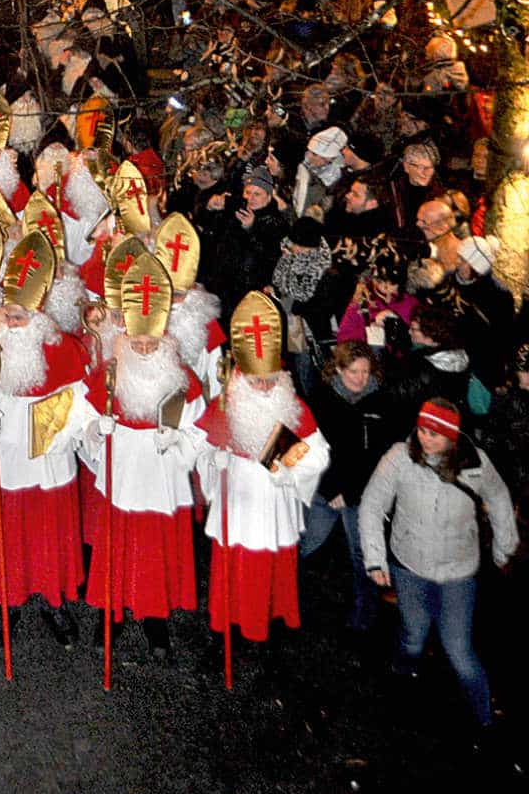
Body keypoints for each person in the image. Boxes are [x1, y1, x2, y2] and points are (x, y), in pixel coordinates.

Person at [360, 397, 518, 737]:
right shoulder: (399, 459)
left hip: (458, 572)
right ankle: (401, 679)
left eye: (435, 433)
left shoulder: (476, 464)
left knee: (459, 651)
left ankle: (486, 720)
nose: (425, 439)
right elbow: (372, 505)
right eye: (421, 430)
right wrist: (375, 558)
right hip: (410, 566)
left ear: (452, 436)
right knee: (413, 637)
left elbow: (501, 500)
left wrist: (505, 548)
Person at [76, 253, 203, 662]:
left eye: (152, 342)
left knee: (154, 554)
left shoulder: (182, 376)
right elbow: (81, 420)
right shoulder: (110, 372)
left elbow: (201, 429)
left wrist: (179, 438)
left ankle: (155, 620)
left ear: (165, 338)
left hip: (163, 478)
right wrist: (98, 431)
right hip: (123, 473)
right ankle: (110, 615)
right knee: (116, 549)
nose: (145, 349)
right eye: (138, 342)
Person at [0, 233, 89, 649]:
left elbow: (82, 404)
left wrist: (62, 433)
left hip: (49, 459)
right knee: (9, 534)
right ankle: (8, 602)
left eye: (21, 317)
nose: (13, 324)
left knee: (48, 533)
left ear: (38, 314)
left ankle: (54, 601)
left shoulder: (63, 349)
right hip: (8, 459)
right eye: (9, 315)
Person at [195, 292, 329, 650]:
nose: (265, 387)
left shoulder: (293, 405)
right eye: (257, 381)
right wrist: (212, 462)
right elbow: (198, 447)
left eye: (271, 379)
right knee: (235, 567)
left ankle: (267, 628)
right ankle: (229, 629)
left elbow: (318, 455)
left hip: (273, 503)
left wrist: (288, 471)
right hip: (236, 503)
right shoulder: (224, 404)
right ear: (240, 374)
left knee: (268, 570)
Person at [298, 342, 394, 635]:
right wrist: (330, 490)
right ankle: (286, 599)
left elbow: (379, 455)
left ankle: (363, 617)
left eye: (365, 371)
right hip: (325, 490)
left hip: (361, 494)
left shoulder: (380, 401)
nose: (360, 378)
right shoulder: (321, 399)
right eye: (354, 371)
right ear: (339, 369)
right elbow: (309, 449)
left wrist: (350, 493)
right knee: (304, 543)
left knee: (362, 554)